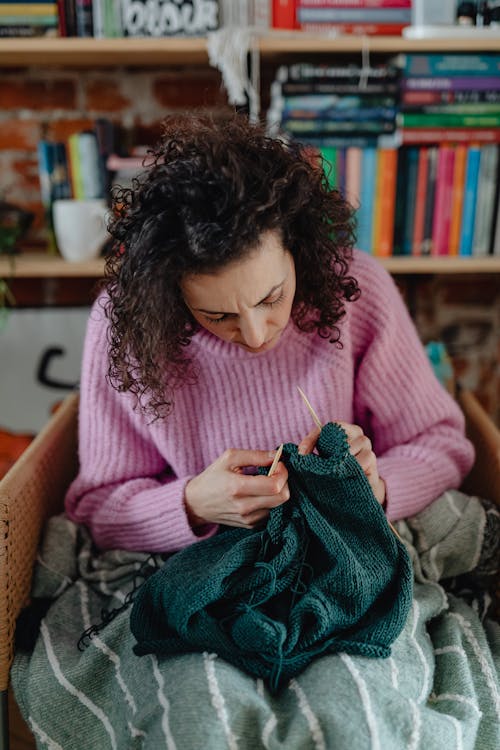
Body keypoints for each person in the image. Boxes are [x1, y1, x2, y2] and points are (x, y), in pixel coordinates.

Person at [65, 113, 474, 554]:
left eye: (271, 298)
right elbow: (98, 509)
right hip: (204, 565)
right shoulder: (123, 326)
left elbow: (443, 446)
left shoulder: (358, 291)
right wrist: (192, 505)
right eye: (218, 316)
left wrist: (375, 489)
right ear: (170, 297)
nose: (257, 336)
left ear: (298, 248)